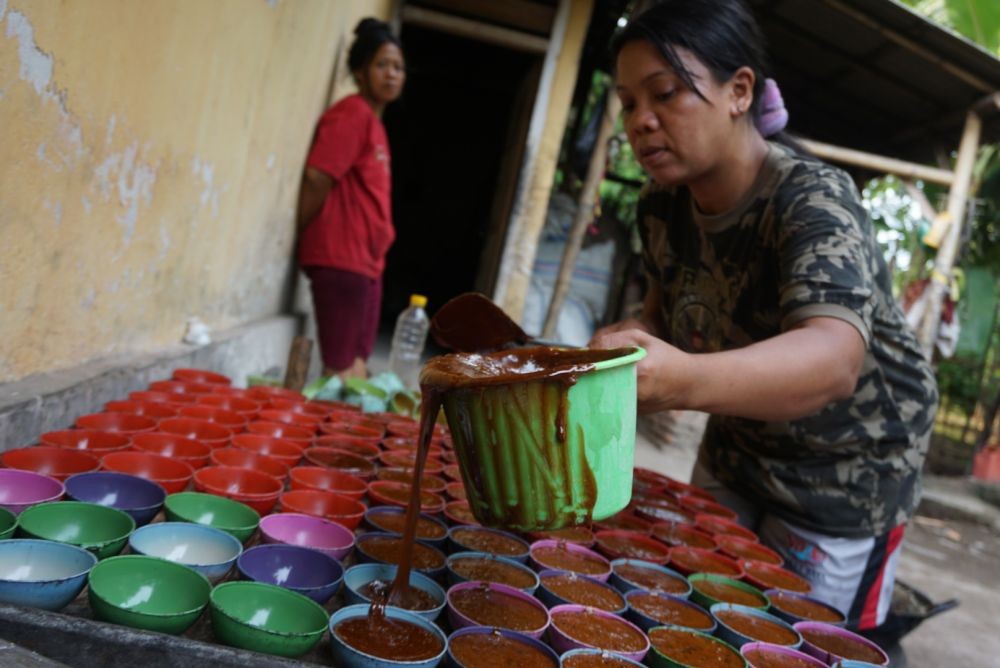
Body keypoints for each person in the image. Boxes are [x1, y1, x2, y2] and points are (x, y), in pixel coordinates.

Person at [591, 0, 938, 634]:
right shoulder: (660, 206)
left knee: (799, 641)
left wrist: (679, 378)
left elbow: (832, 361)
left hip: (844, 475)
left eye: (665, 94)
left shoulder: (810, 198)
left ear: (739, 91)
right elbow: (667, 320)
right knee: (691, 612)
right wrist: (626, 347)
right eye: (628, 102)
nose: (641, 121)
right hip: (738, 449)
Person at [296, 18, 405, 379]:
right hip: (342, 257)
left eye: (398, 67)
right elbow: (316, 176)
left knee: (356, 369)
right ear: (360, 71)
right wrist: (304, 228)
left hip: (366, 264)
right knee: (340, 372)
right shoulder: (352, 113)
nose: (391, 74)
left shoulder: (376, 125)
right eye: (381, 65)